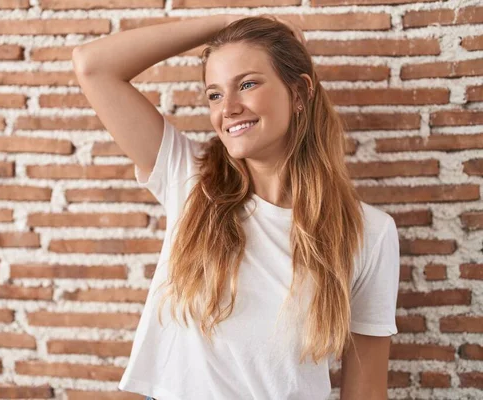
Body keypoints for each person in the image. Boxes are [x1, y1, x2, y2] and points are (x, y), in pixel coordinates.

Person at [72, 14, 400, 400]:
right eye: (214, 94)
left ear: (299, 93)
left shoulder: (370, 232)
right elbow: (93, 66)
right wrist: (232, 22)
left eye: (246, 84)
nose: (228, 108)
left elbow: (366, 391)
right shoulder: (191, 181)